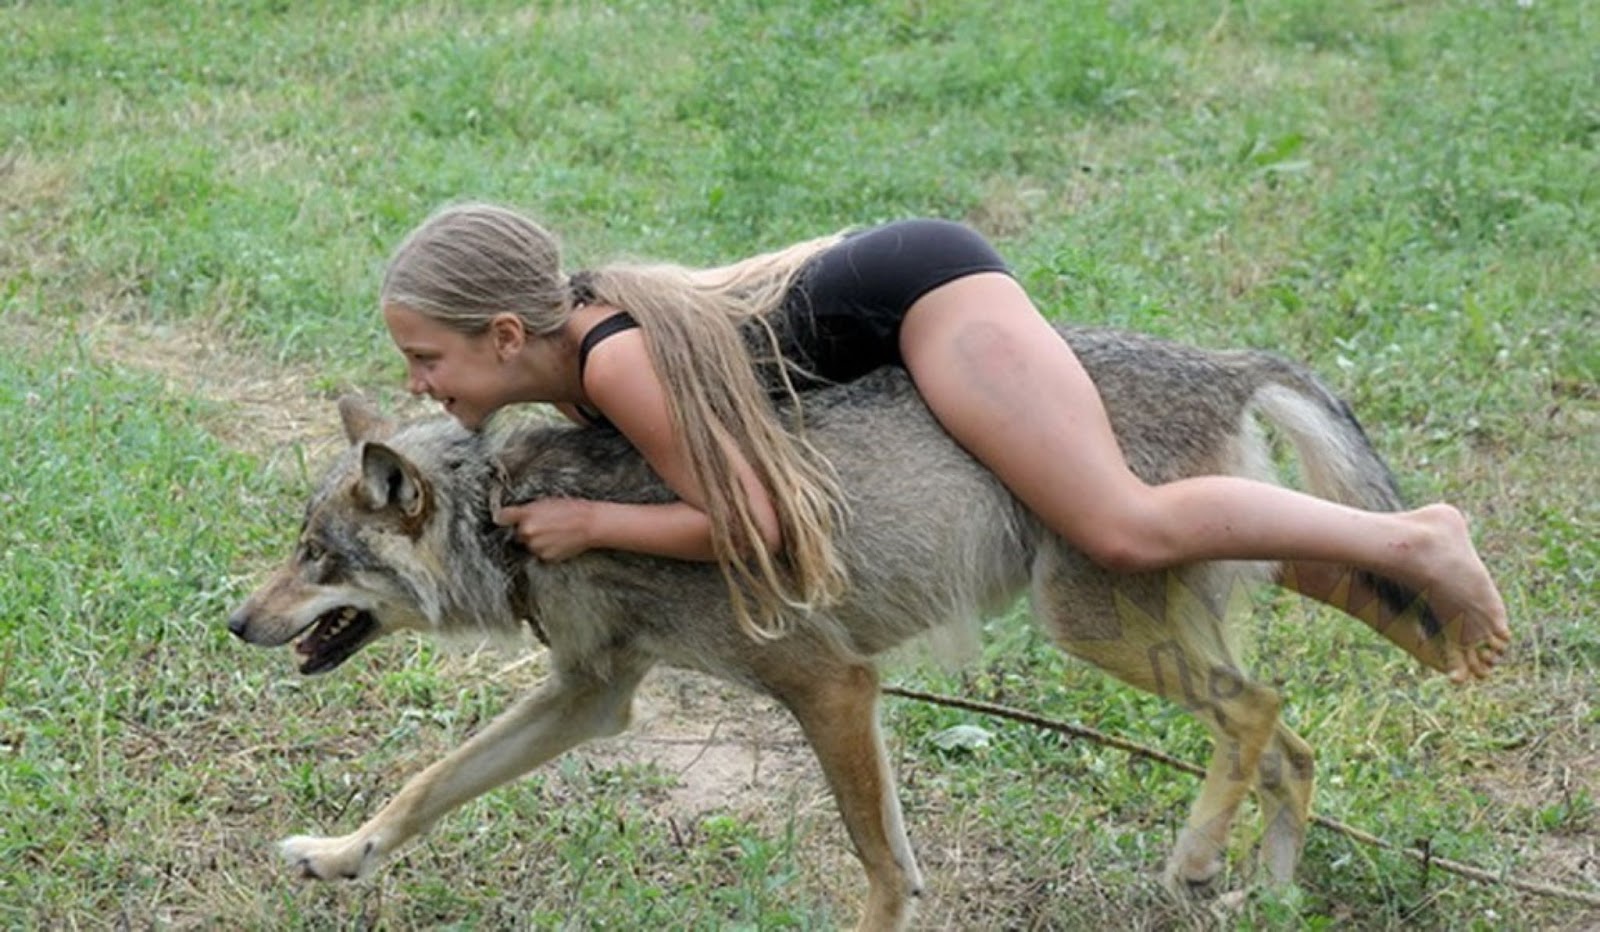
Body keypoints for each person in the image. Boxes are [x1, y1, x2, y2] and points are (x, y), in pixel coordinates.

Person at [379, 203, 1511, 683]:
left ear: (509, 333)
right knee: (1140, 528)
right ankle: (1401, 610)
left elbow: (756, 522)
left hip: (928, 302)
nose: (416, 383)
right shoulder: (582, 362)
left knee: (1118, 525)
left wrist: (593, 522)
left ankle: (1413, 537)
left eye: (427, 356)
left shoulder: (614, 363)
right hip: (902, 292)